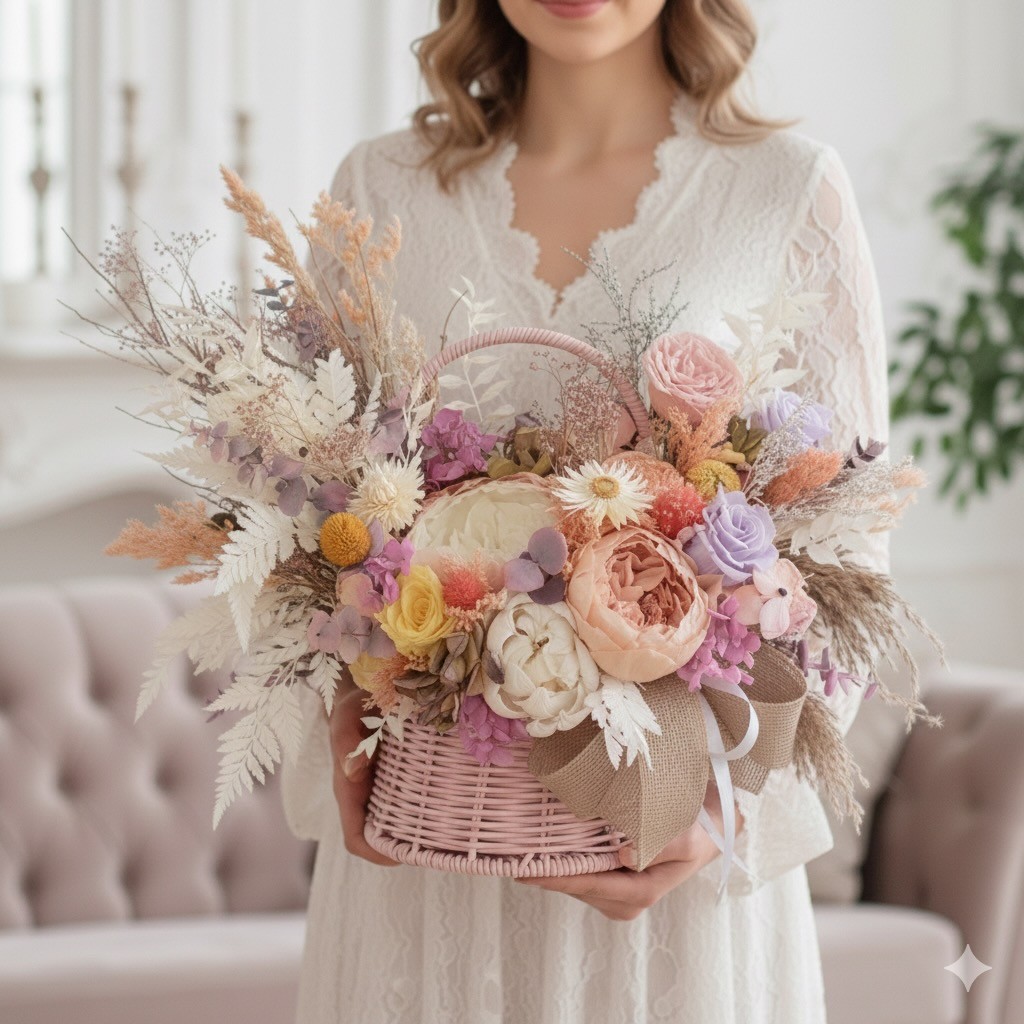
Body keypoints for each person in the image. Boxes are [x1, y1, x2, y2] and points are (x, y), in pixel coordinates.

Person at [283, 1, 890, 1020]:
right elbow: (303, 500)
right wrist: (335, 709)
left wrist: (725, 813)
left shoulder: (787, 190)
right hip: (431, 865)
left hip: (676, 881)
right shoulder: (377, 190)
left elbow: (851, 541)